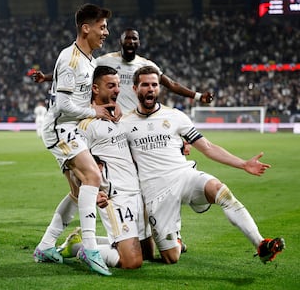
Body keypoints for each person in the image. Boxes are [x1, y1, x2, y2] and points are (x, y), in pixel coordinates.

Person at [121, 66, 285, 265]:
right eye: (145, 85)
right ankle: (176, 240)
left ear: (159, 89)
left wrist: (243, 164)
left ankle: (261, 244)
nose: (150, 89)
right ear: (134, 88)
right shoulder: (124, 123)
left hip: (184, 176)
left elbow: (207, 147)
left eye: (154, 85)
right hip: (156, 191)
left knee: (221, 191)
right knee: (171, 257)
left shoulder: (175, 116)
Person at [33, 3, 116, 276]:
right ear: (86, 28)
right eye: (102, 27)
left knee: (79, 191)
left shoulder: (88, 59)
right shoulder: (71, 59)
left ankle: (46, 246)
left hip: (72, 129)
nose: (106, 32)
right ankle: (91, 249)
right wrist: (95, 111)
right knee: (93, 176)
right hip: (60, 129)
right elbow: (64, 105)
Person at [58, 65, 155, 269]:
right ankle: (81, 250)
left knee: (147, 253)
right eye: (111, 86)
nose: (117, 90)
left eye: (118, 85)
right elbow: (72, 162)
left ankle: (81, 241)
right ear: (95, 88)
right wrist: (90, 191)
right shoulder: (86, 124)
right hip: (115, 197)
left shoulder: (119, 116)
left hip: (137, 192)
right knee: (132, 262)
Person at [32, 28, 213, 114]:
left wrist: (198, 96)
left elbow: (171, 84)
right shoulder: (105, 61)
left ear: (138, 43)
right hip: (113, 117)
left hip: (137, 118)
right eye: (127, 39)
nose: (131, 42)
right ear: (121, 42)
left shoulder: (146, 65)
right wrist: (46, 78)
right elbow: (77, 71)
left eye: (134, 39)